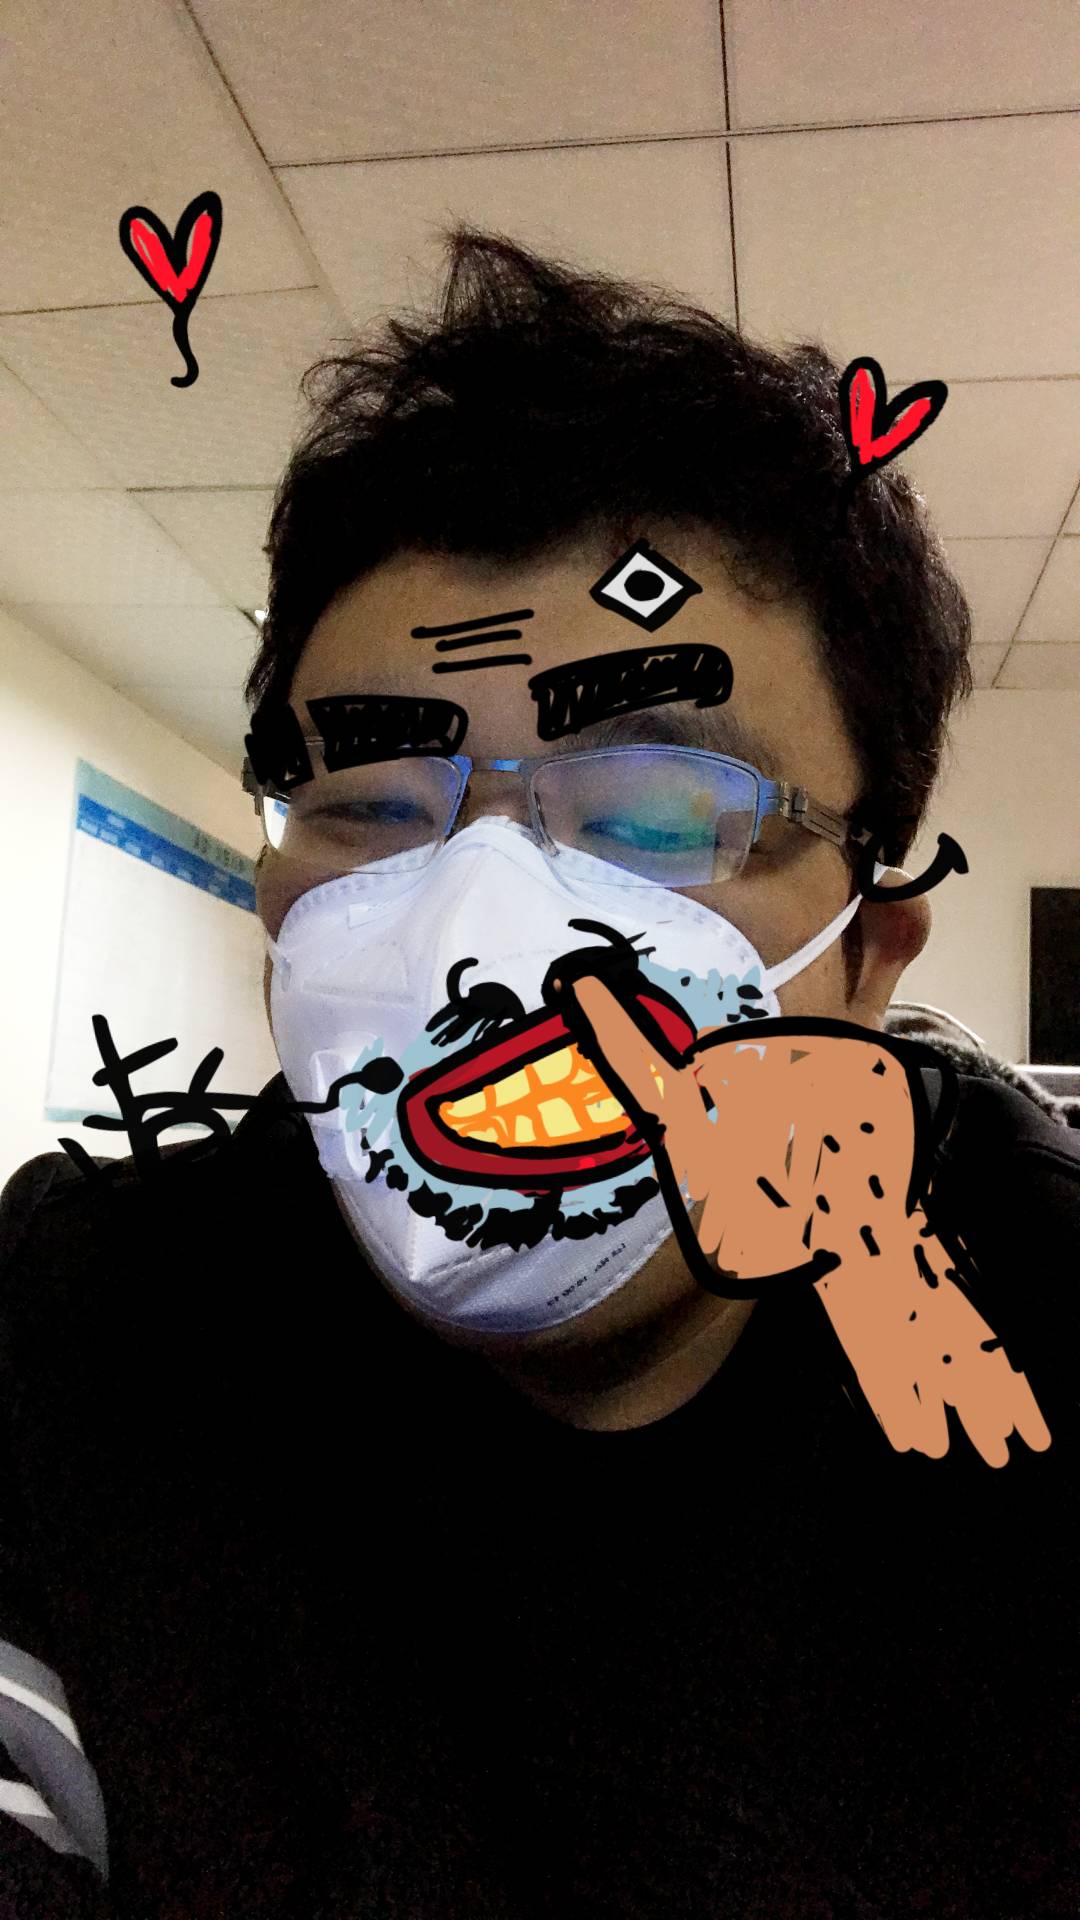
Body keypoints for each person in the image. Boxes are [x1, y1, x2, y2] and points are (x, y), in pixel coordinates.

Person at [1, 227, 1077, 1918]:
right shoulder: (91, 1321)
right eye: (372, 804)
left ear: (866, 963)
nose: (483, 938)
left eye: (657, 815)